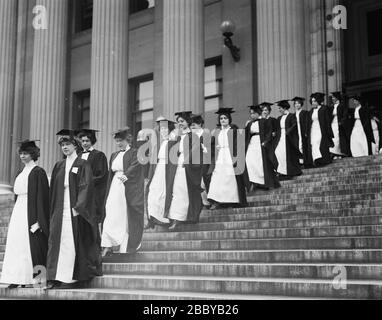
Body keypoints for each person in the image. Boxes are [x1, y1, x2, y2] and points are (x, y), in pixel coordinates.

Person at [46, 130, 101, 290]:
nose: (65, 147)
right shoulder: (59, 165)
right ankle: (54, 277)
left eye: (67, 144)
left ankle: (75, 277)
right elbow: (53, 189)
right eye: (62, 145)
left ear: (75, 145)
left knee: (71, 241)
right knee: (57, 241)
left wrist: (79, 207)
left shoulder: (82, 164)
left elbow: (86, 186)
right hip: (59, 208)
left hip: (75, 208)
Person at [1, 140, 49, 289]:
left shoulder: (38, 172)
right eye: (21, 153)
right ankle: (16, 278)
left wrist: (40, 220)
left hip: (32, 212)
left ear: (33, 154)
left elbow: (43, 197)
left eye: (26, 153)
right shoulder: (20, 172)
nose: (22, 156)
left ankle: (38, 280)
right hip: (19, 211)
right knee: (17, 245)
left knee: (34, 246)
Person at [101, 127, 145, 256]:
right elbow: (111, 171)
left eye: (121, 140)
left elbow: (136, 165)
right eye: (117, 141)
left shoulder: (134, 152)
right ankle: (107, 245)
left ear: (128, 140)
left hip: (126, 186)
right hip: (115, 184)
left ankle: (124, 246)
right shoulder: (114, 155)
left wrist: (127, 174)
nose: (119, 143)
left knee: (122, 214)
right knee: (110, 212)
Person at [167, 111, 203, 231]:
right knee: (177, 190)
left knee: (184, 190)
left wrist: (187, 160)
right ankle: (177, 218)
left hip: (188, 165)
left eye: (182, 121)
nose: (180, 124)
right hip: (178, 164)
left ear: (188, 122)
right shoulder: (179, 136)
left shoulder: (193, 136)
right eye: (178, 122)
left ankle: (185, 217)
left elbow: (196, 150)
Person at [208, 108, 247, 210]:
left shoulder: (233, 130)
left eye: (225, 118)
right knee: (218, 178)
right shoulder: (218, 132)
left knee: (229, 179)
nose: (223, 120)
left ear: (229, 119)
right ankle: (218, 201)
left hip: (230, 156)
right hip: (221, 156)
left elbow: (238, 145)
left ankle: (230, 201)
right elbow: (215, 144)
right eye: (221, 118)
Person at [145, 118, 178, 229]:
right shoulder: (161, 143)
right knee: (153, 192)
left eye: (165, 128)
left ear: (170, 130)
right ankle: (152, 218)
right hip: (158, 169)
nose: (163, 131)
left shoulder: (173, 142)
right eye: (161, 129)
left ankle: (162, 218)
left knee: (163, 194)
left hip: (167, 170)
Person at [77, 129, 108, 246]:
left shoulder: (99, 155)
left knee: (93, 220)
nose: (85, 143)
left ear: (92, 141)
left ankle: (96, 246)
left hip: (93, 193)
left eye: (87, 141)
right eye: (83, 141)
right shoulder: (78, 156)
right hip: (80, 193)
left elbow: (102, 174)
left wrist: (87, 182)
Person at [245, 106, 280, 192]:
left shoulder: (264, 121)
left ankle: (263, 183)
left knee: (260, 163)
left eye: (254, 113)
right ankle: (254, 181)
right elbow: (246, 135)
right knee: (249, 161)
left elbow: (269, 132)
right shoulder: (249, 124)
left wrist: (266, 141)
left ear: (258, 113)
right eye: (251, 113)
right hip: (252, 144)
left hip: (261, 143)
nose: (252, 115)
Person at [274, 100, 302, 179]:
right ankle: (281, 171)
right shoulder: (279, 118)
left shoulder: (291, 116)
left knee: (286, 154)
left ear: (285, 108)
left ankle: (288, 172)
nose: (279, 110)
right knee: (278, 152)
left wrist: (288, 131)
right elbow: (277, 128)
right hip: (280, 138)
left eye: (280, 108)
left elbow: (294, 125)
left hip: (288, 138)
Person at [307, 93, 334, 167]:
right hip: (313, 130)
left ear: (318, 101)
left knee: (319, 143)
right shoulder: (311, 111)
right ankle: (316, 159)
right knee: (313, 143)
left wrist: (328, 131)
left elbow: (327, 120)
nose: (313, 103)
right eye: (312, 101)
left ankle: (323, 159)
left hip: (321, 129)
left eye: (315, 101)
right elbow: (309, 122)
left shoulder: (324, 109)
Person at [190, 114, 212, 209]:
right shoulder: (191, 135)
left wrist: (204, 148)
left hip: (204, 160)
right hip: (194, 161)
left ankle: (208, 201)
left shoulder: (206, 134)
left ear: (199, 124)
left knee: (205, 181)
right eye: (191, 125)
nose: (192, 127)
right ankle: (202, 202)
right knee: (197, 182)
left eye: (194, 124)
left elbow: (209, 149)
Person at [328, 92, 350, 159]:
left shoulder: (342, 106)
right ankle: (334, 153)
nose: (332, 99)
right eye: (332, 97)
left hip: (339, 124)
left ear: (337, 98)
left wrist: (341, 122)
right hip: (333, 124)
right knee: (333, 138)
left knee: (339, 139)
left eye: (334, 97)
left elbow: (345, 115)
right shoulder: (331, 107)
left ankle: (340, 153)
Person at [291, 97, 310, 167]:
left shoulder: (305, 113)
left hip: (302, 131)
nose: (297, 105)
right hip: (296, 132)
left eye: (298, 103)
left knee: (303, 145)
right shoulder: (293, 115)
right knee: (297, 145)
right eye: (295, 103)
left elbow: (307, 123)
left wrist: (306, 132)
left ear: (301, 104)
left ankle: (305, 161)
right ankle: (299, 161)